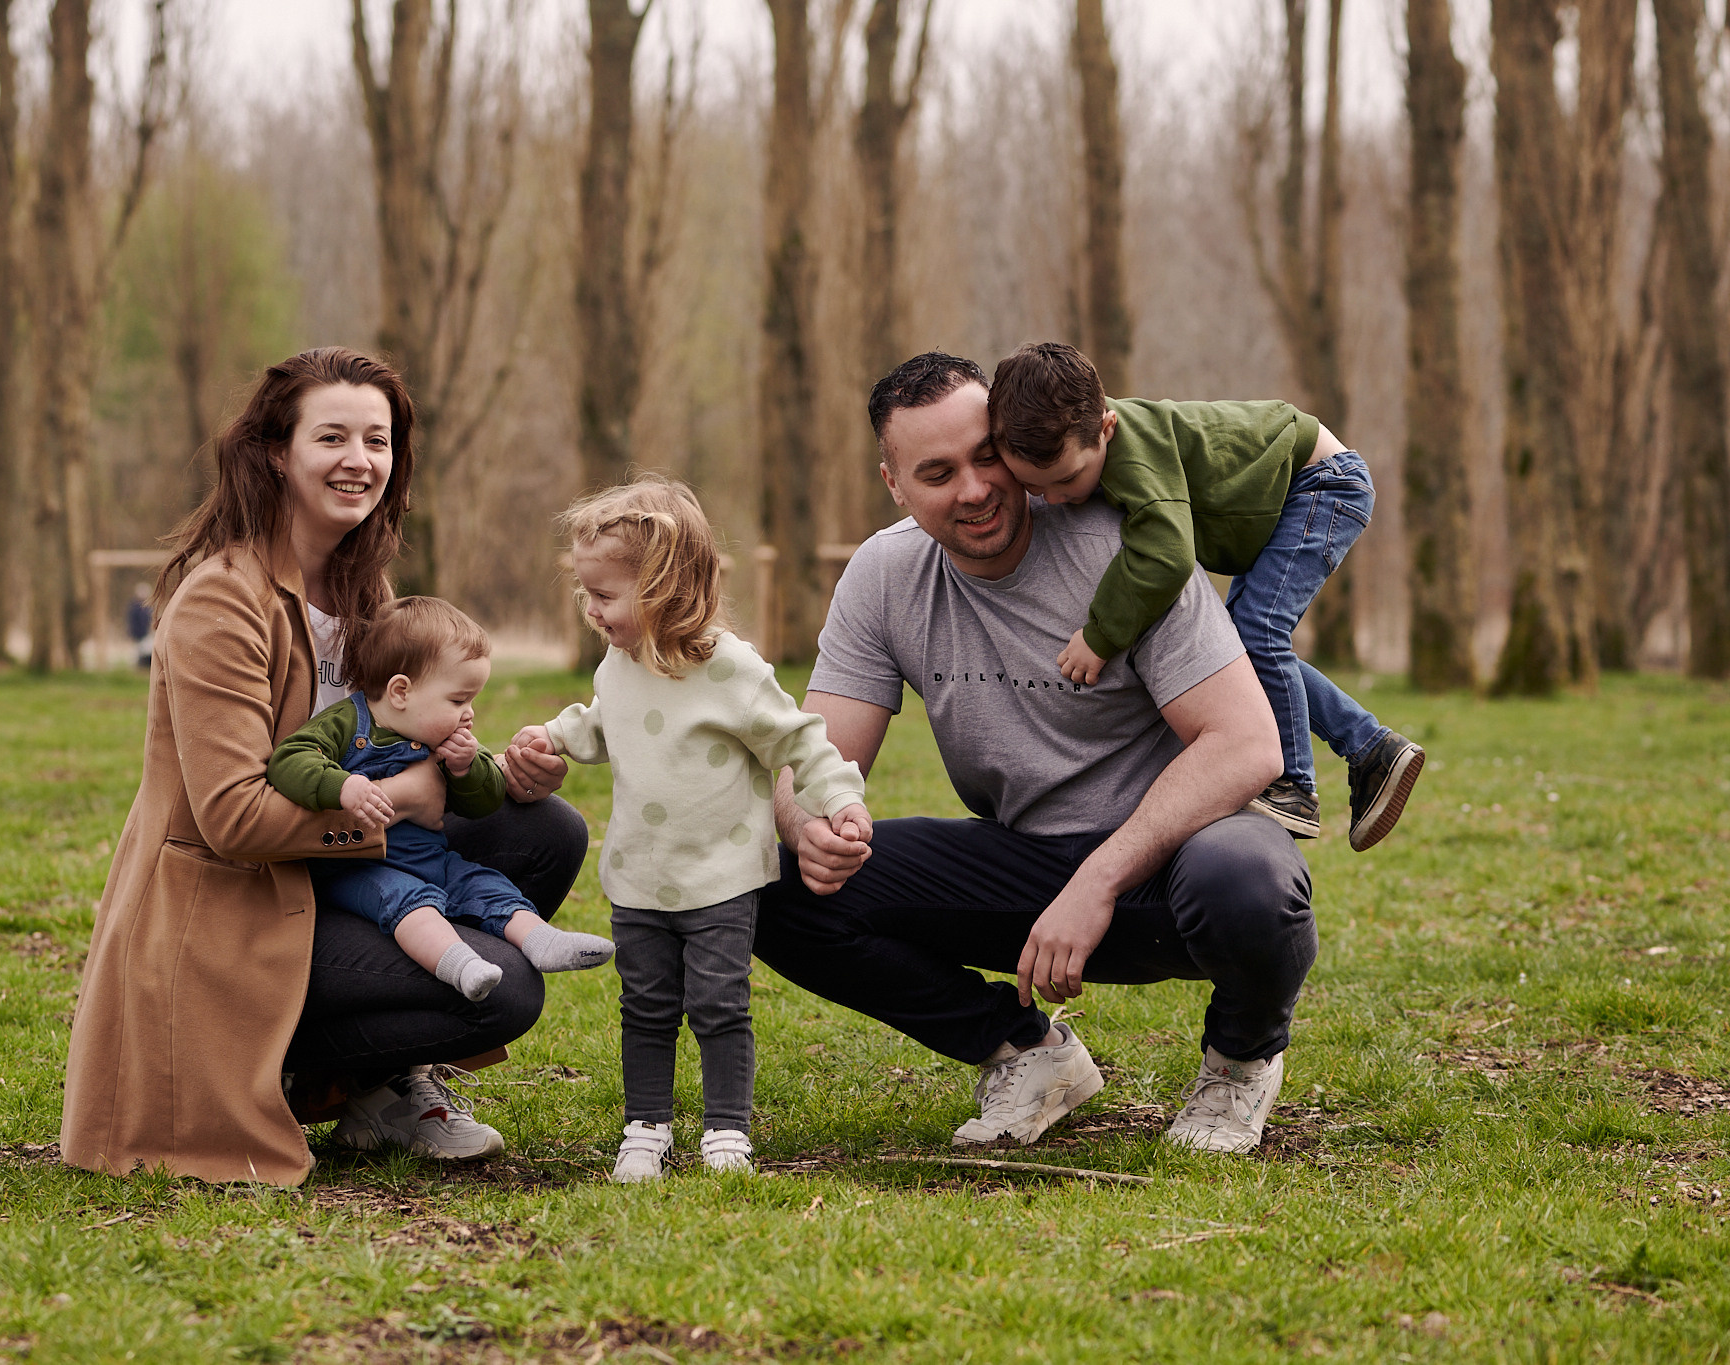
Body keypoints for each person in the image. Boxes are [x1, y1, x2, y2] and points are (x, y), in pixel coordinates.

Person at [755, 352, 1314, 1156]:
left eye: (988, 456)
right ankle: (1025, 1054)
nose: (976, 488)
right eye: (938, 472)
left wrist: (1100, 878)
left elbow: (1246, 744)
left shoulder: (1122, 548)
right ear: (895, 483)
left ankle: (1239, 1062)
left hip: (1179, 859)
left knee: (1252, 879)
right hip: (1025, 869)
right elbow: (812, 759)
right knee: (773, 879)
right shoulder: (883, 575)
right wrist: (810, 821)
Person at [60, 347, 585, 1185]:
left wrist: (487, 768)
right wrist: (392, 806)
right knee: (511, 989)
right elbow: (232, 816)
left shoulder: (364, 589)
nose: (359, 460)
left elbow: (401, 740)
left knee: (542, 831)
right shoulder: (221, 600)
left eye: (376, 441)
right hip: (235, 908)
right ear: (277, 451)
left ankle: (379, 1088)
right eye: (332, 437)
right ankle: (307, 1071)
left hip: (328, 879)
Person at [511, 476, 872, 1182]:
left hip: (721, 876)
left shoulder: (730, 668)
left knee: (717, 1002)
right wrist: (548, 738)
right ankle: (645, 1126)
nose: (591, 609)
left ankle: (726, 1130)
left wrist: (840, 800)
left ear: (665, 588)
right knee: (644, 1004)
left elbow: (799, 740)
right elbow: (599, 722)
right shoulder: (619, 663)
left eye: (605, 594)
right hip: (640, 875)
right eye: (586, 592)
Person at [986, 341, 1424, 850]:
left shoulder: (1134, 456)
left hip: (1320, 484)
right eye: (1035, 489)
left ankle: (1294, 787)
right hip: (1289, 491)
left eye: (1066, 480)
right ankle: (1371, 748)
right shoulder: (1089, 446)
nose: (1055, 499)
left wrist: (1100, 635)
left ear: (1106, 428)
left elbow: (1168, 553)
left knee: (1258, 632)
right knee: (1239, 646)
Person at [266, 595, 613, 1007]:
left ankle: (541, 940)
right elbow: (288, 761)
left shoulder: (446, 738)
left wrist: (467, 769)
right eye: (457, 700)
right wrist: (341, 786)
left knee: (483, 884)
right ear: (401, 692)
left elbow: (484, 802)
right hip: (357, 868)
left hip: (429, 856)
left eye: (471, 701)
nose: (468, 714)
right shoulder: (345, 723)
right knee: (407, 901)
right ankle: (460, 965)